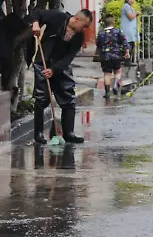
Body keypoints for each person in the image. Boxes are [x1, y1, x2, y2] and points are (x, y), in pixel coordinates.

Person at [27, 8, 94, 145]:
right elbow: (36, 12)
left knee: (68, 98)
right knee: (41, 99)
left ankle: (68, 133)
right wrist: (35, 23)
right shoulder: (57, 17)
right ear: (76, 19)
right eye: (85, 25)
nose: (85, 29)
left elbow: (69, 57)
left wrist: (54, 69)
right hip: (43, 62)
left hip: (61, 67)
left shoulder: (79, 36)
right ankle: (38, 134)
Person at [95, 16, 130, 98]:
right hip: (116, 55)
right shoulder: (118, 31)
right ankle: (115, 85)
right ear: (113, 22)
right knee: (117, 72)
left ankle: (107, 93)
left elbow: (98, 44)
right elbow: (124, 42)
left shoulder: (101, 33)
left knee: (107, 74)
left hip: (105, 56)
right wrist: (127, 52)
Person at [120, 0, 140, 64]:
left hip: (131, 30)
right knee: (128, 45)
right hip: (127, 29)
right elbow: (130, 16)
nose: (132, 0)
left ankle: (128, 60)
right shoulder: (126, 6)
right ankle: (127, 60)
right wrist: (136, 13)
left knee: (131, 44)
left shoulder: (130, 7)